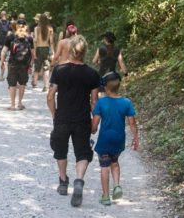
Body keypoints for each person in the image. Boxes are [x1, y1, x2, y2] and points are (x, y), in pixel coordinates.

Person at [47, 35, 100, 207]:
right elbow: (94, 102)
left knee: (60, 149)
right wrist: (95, 122)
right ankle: (78, 180)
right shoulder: (92, 74)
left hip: (63, 117)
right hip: (82, 119)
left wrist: (55, 114)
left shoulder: (59, 70)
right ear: (85, 52)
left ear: (70, 51)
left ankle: (63, 182)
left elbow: (50, 96)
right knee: (83, 152)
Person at [91, 71, 139, 206]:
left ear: (105, 87)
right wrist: (136, 138)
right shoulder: (126, 102)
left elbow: (95, 125)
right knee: (115, 162)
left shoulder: (101, 103)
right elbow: (132, 123)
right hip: (119, 139)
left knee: (104, 166)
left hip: (104, 139)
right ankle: (117, 185)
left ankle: (106, 196)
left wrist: (91, 129)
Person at [1, 19, 35, 110]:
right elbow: (33, 54)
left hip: (12, 63)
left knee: (12, 84)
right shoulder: (29, 38)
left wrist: (2, 62)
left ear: (16, 26)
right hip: (25, 64)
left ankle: (12, 105)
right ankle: (20, 103)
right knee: (22, 83)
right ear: (25, 26)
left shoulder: (10, 36)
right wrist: (31, 65)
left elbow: (4, 51)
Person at [32, 12, 54, 91]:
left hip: (38, 48)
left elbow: (35, 40)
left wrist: (34, 52)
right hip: (46, 49)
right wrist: (52, 52)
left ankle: (35, 84)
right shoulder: (50, 29)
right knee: (46, 67)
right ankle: (46, 86)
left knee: (37, 67)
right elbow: (51, 42)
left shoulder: (36, 28)